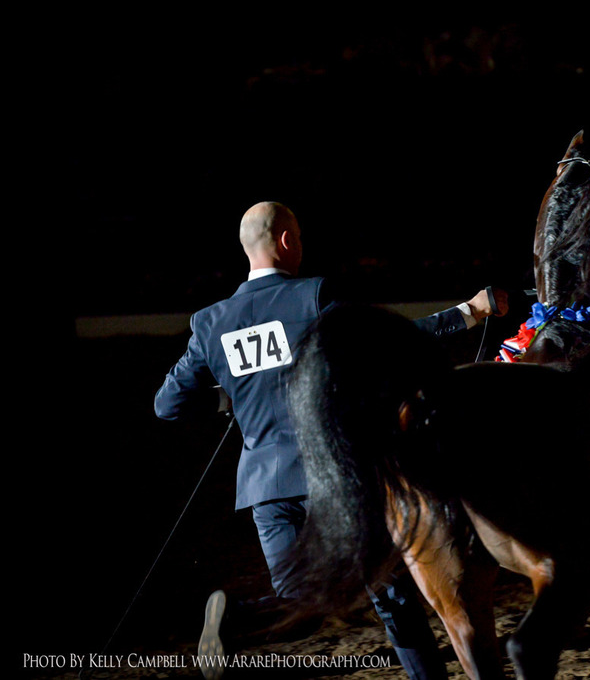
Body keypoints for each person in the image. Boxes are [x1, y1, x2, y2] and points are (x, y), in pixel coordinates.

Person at [154, 201, 507, 680]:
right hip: (336, 475)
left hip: (266, 488)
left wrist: (229, 400)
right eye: (298, 236)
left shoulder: (209, 322)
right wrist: (469, 312)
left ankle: (234, 613)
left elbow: (167, 405)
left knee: (296, 601)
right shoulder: (314, 296)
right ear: (285, 241)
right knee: (393, 594)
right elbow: (393, 341)